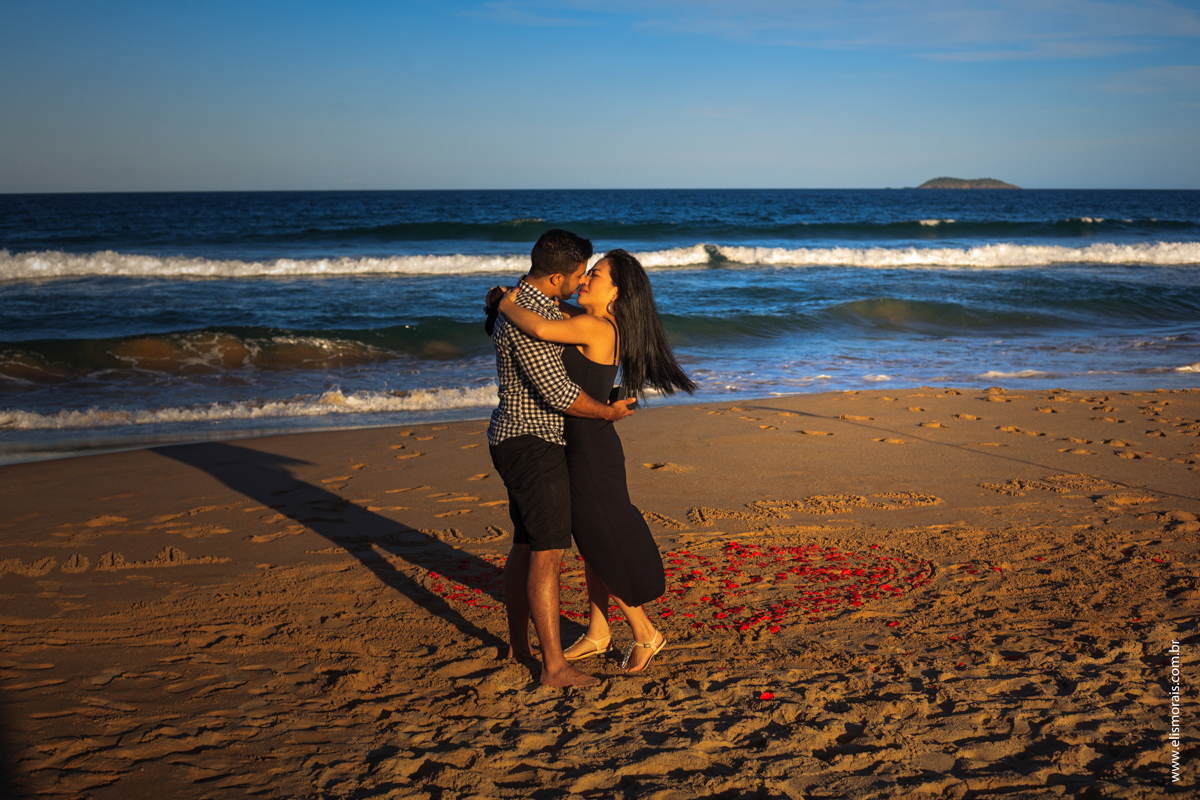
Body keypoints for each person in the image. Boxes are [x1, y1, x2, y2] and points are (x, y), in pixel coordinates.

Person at [498, 248, 695, 672]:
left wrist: (505, 302)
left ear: (616, 294)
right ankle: (598, 632)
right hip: (588, 444)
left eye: (597, 275)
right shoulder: (602, 322)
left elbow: (537, 326)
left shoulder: (592, 325)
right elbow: (560, 310)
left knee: (600, 542)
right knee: (591, 544)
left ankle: (645, 632)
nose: (586, 278)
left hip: (588, 450)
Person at [487, 229, 635, 689]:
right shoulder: (528, 314)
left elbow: (561, 320)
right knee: (548, 553)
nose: (581, 281)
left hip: (516, 438)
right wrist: (607, 411)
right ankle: (554, 667)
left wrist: (502, 298)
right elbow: (559, 393)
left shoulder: (533, 303)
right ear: (556, 276)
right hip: (532, 441)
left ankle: (519, 645)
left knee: (527, 544)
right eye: (577, 275)